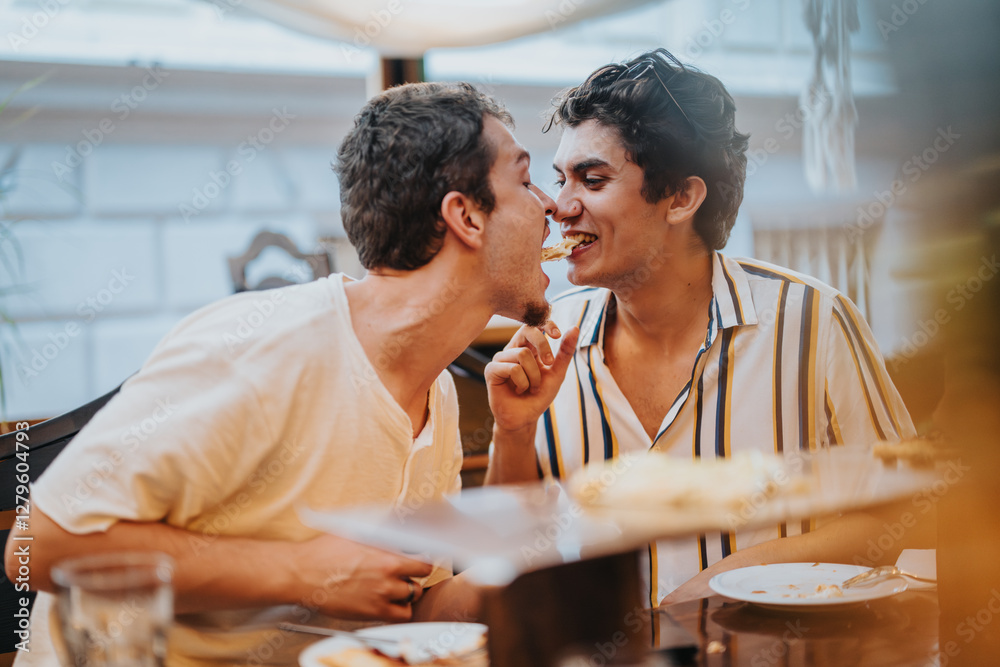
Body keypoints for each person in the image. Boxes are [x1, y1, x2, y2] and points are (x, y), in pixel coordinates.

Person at [6, 81, 557, 666]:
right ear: (466, 215)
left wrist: (563, 524)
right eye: (524, 180)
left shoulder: (437, 394)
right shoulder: (261, 346)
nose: (549, 205)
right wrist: (301, 571)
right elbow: (36, 545)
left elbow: (413, 613)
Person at [485, 49, 920, 607]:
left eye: (592, 180)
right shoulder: (550, 337)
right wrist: (513, 433)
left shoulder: (813, 319)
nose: (559, 207)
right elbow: (510, 547)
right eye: (559, 179)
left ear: (682, 198)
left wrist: (727, 582)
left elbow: (904, 513)